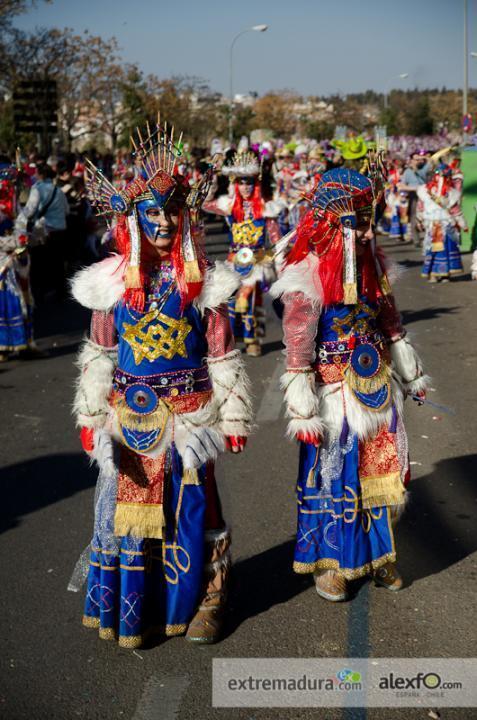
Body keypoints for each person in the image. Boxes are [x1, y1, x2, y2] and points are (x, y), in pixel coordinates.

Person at [69, 118, 253, 648]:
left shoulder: (206, 283)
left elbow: (222, 354)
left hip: (190, 416)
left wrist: (233, 417)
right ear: (134, 220)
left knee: (198, 506)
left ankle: (211, 596)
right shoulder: (110, 286)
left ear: (185, 215)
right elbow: (100, 354)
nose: (164, 222)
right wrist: (91, 416)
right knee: (132, 508)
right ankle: (141, 605)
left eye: (172, 211)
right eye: (152, 213)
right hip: (129, 416)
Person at [271, 163, 428, 602]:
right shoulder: (307, 274)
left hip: (378, 387)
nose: (364, 231)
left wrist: (410, 372)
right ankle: (331, 564)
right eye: (355, 222)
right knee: (333, 479)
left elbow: (391, 323)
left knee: (383, 474)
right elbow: (298, 346)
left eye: (367, 220)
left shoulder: (373, 264)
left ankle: (380, 556)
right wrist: (303, 407)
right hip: (333, 396)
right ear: (330, 221)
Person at [203, 151, 283, 357]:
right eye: (241, 182)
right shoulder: (230, 205)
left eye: (249, 183)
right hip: (234, 260)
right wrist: (211, 180)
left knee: (248, 299)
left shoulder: (265, 206)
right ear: (235, 184)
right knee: (229, 300)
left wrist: (279, 260)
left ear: (255, 184)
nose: (245, 187)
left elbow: (275, 237)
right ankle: (233, 339)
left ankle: (252, 338)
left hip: (257, 260)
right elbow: (204, 203)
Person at [17, 163, 69, 299]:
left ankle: (45, 290)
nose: (34, 175)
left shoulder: (37, 189)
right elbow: (67, 210)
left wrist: (17, 217)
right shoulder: (58, 190)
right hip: (61, 230)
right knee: (58, 262)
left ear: (40, 175)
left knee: (44, 261)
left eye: (36, 173)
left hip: (46, 231)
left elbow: (30, 210)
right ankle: (60, 292)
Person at [0, 160, 35, 361]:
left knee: (21, 298)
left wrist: (24, 239)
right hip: (5, 260)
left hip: (16, 259)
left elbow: (21, 227)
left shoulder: (17, 208)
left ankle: (23, 342)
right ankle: (5, 346)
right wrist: (14, 242)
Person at [418, 163, 467, 283]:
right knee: (433, 249)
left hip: (446, 224)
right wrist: (419, 219)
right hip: (432, 225)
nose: (440, 179)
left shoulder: (451, 193)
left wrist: (462, 224)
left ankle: (445, 274)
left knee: (446, 249)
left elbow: (455, 210)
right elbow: (421, 207)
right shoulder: (425, 191)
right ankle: (433, 274)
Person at [399, 151, 431, 247]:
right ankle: (416, 240)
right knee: (414, 217)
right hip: (414, 196)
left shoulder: (423, 169)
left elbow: (431, 163)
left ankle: (428, 239)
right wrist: (415, 188)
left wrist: (425, 157)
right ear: (412, 160)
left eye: (420, 159)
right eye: (416, 159)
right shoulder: (407, 172)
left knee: (428, 216)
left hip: (425, 196)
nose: (419, 161)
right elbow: (401, 185)